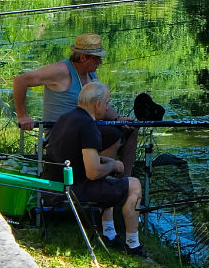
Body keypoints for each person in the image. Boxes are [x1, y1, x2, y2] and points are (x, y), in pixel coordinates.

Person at [12, 33, 139, 232]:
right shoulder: (61, 71)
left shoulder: (91, 75)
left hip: (87, 129)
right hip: (62, 134)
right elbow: (20, 80)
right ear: (82, 57)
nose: (100, 61)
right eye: (96, 58)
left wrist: (117, 119)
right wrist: (23, 115)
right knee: (113, 135)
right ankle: (99, 185)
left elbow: (101, 106)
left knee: (129, 131)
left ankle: (120, 187)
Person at [43, 81, 145, 257]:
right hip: (73, 190)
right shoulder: (89, 126)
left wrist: (105, 161)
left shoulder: (64, 119)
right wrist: (113, 164)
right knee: (134, 185)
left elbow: (76, 155)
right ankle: (133, 246)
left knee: (108, 181)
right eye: (106, 103)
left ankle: (109, 233)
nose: (106, 108)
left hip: (52, 186)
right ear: (97, 103)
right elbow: (93, 172)